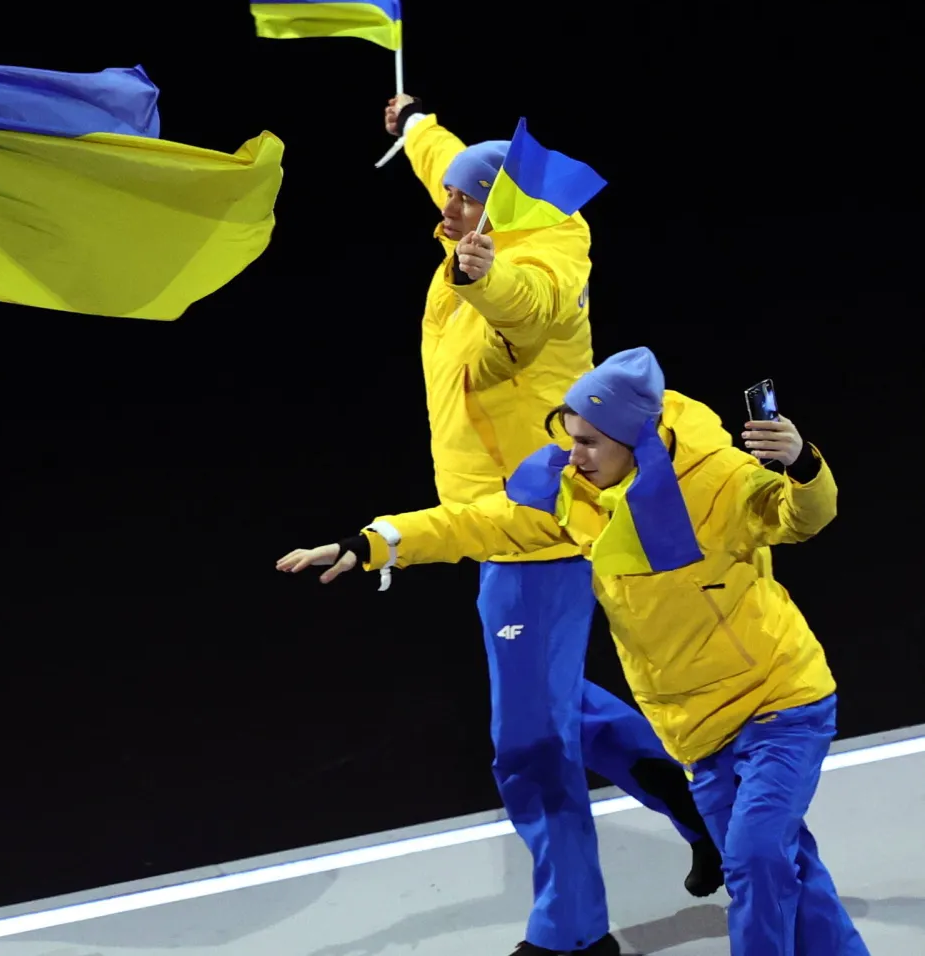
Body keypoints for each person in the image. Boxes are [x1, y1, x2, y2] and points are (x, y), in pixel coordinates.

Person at [279, 347, 868, 956]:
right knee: (790, 866)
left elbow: (801, 518)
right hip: (697, 729)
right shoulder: (574, 494)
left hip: (779, 704)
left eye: (588, 441)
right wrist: (376, 542)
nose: (573, 453)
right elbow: (478, 524)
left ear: (632, 438)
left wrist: (802, 464)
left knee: (754, 861)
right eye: (569, 436)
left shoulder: (715, 480)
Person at [367, 96, 718, 956]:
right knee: (553, 702)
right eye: (445, 198)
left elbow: (529, 305)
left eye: (464, 200)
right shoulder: (474, 216)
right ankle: (700, 806)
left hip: (542, 526)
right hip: (494, 519)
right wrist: (416, 128)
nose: (447, 211)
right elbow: (453, 169)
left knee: (525, 739)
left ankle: (571, 934)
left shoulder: (545, 254)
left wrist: (481, 276)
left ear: (502, 207)